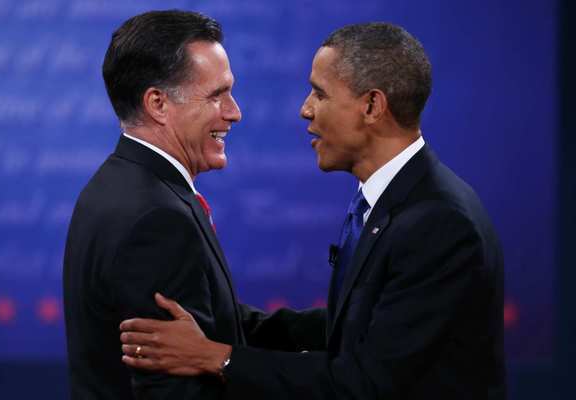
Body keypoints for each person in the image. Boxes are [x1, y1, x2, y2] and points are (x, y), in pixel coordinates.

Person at [119, 22, 507, 399]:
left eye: (319, 94)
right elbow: (356, 324)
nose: (305, 109)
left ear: (372, 105)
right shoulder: (393, 199)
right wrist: (217, 317)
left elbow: (367, 384)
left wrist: (217, 358)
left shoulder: (439, 222)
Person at [63, 9, 312, 399]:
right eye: (216, 95)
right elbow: (175, 388)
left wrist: (343, 324)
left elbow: (219, 324)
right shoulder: (156, 219)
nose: (234, 112)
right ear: (158, 103)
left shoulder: (115, 184)